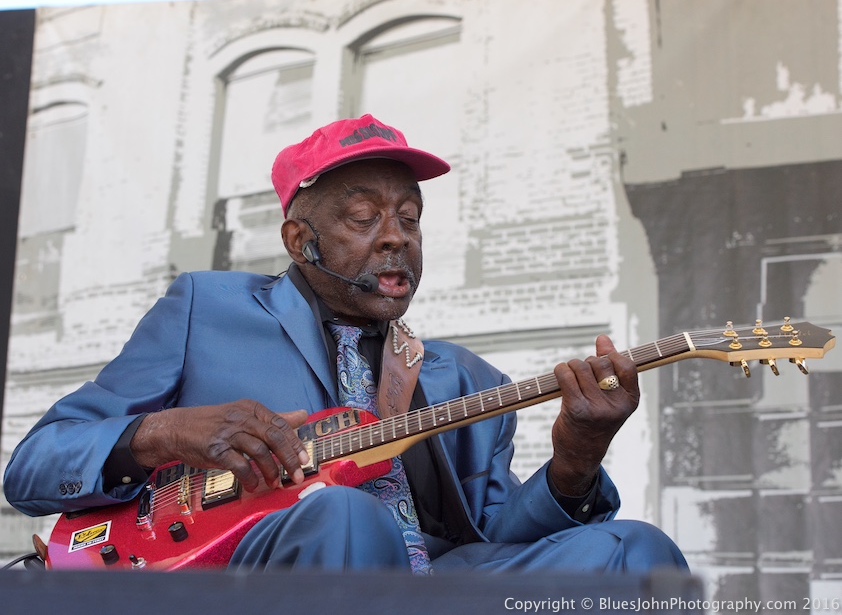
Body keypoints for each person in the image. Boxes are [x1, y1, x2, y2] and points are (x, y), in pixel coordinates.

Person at [4, 114, 687, 574]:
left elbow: (494, 542)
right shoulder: (204, 311)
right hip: (243, 573)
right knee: (344, 518)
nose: (396, 236)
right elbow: (33, 467)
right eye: (364, 217)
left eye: (410, 219)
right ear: (301, 241)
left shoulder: (463, 376)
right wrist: (169, 432)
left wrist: (576, 457)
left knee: (636, 553)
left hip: (431, 586)